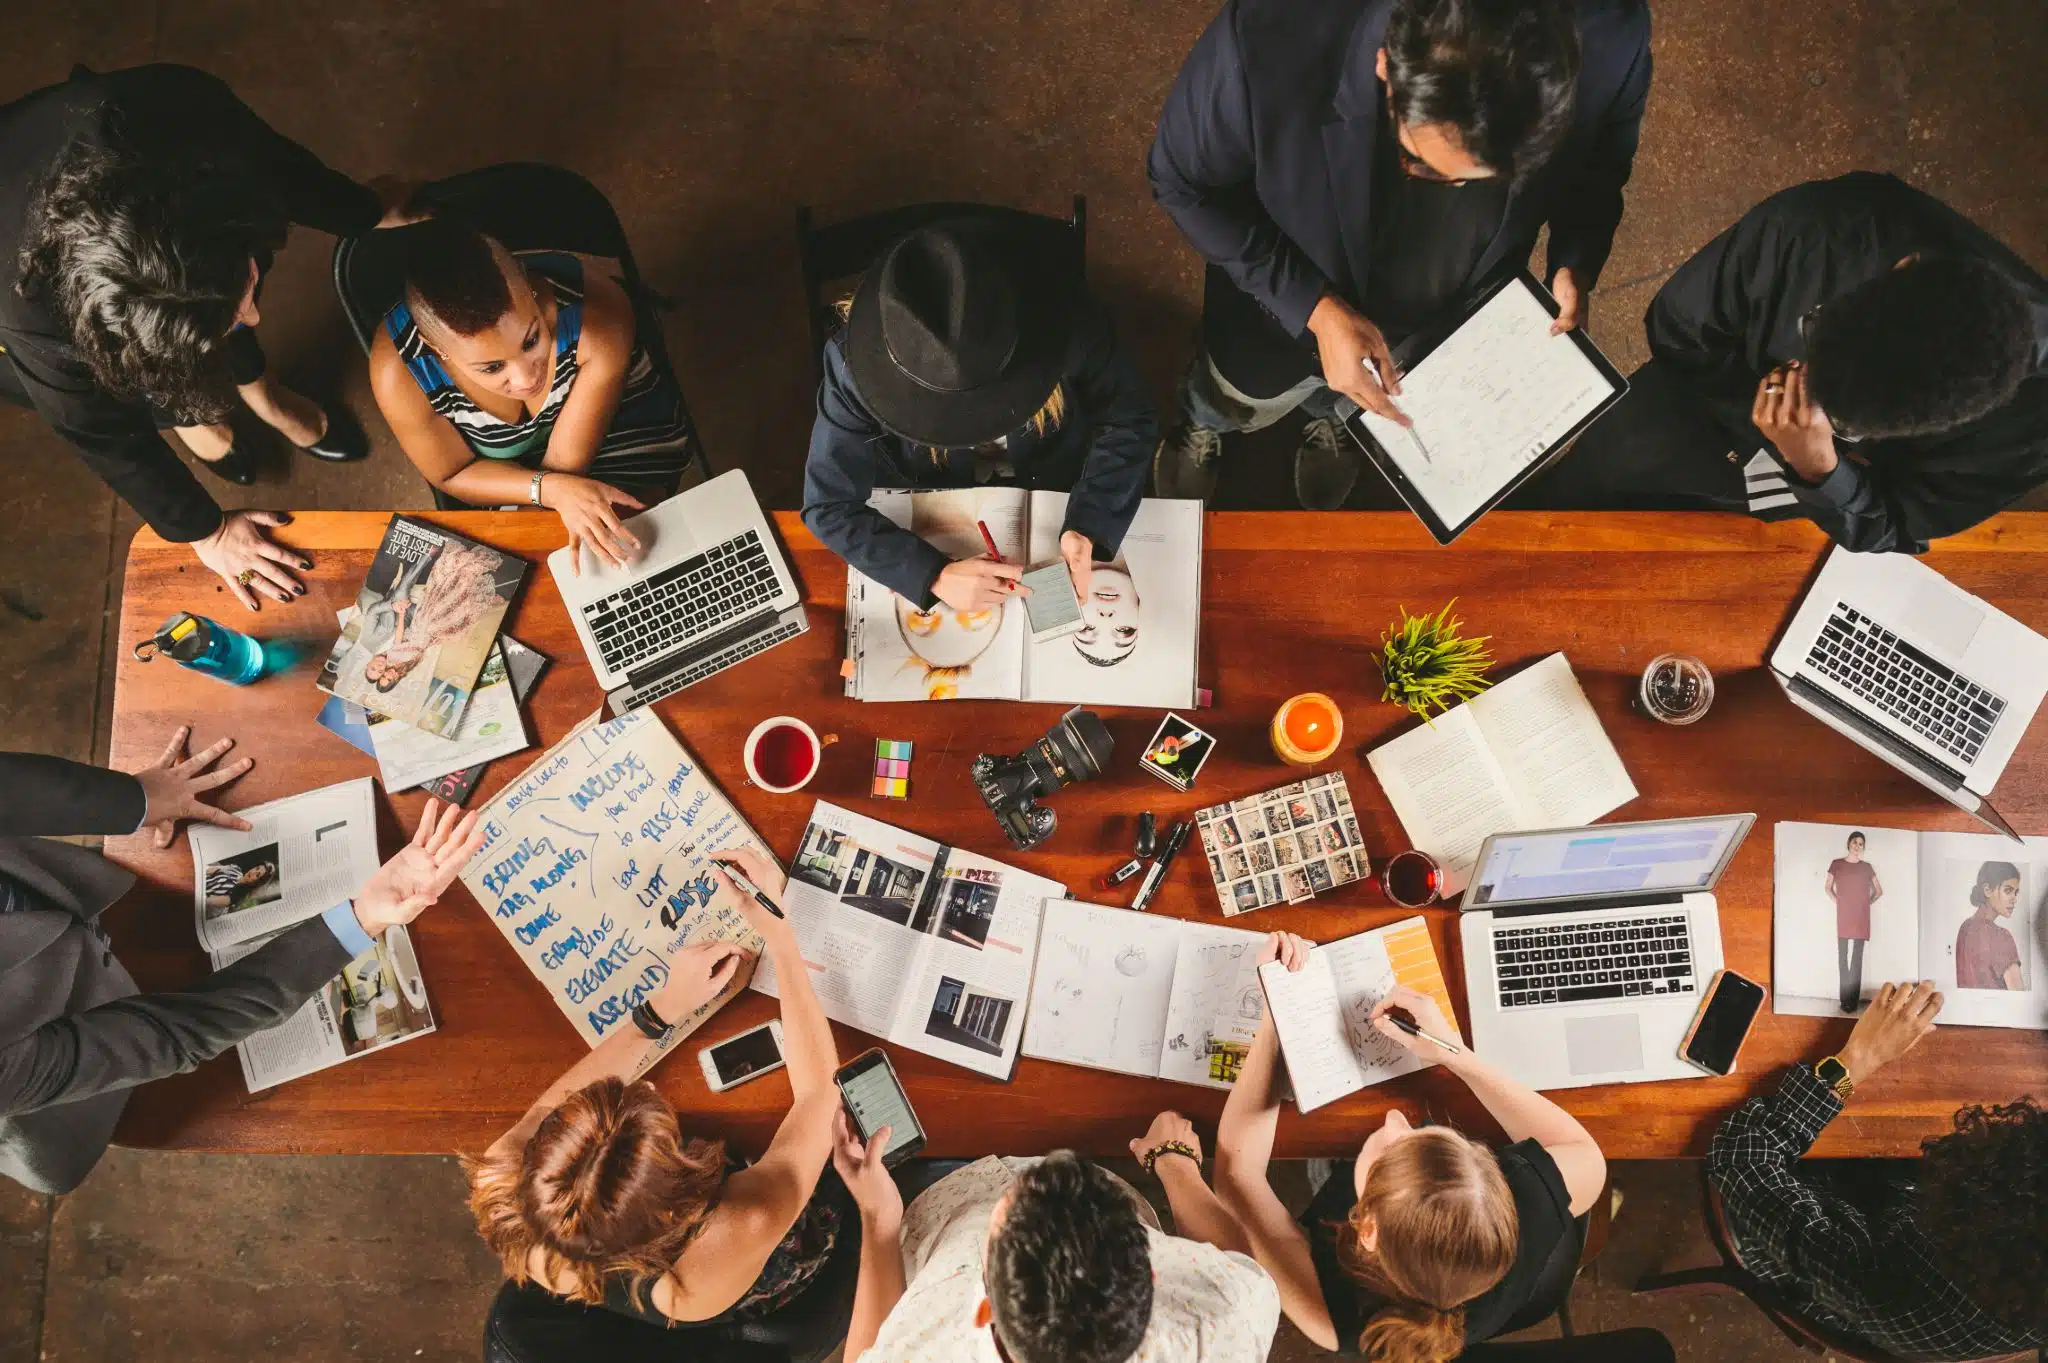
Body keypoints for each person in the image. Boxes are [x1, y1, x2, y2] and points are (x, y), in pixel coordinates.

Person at [1148, 0, 1652, 508]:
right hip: (1274, 314)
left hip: (1437, 326)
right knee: (1235, 397)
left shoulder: (1611, 30)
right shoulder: (1273, 31)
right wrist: (1315, 309)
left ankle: (1333, 414)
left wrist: (1575, 259)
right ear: (1386, 61)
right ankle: (1209, 420)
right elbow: (1181, 182)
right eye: (1420, 163)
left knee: (1348, 398)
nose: (1453, 190)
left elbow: (1600, 164)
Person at [0, 64, 422, 609]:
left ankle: (263, 397)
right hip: (34, 287)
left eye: (247, 283)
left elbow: (275, 163)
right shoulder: (30, 313)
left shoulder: (175, 110)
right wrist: (207, 531)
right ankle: (193, 419)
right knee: (159, 369)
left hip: (143, 187)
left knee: (220, 316)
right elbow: (101, 432)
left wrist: (359, 212)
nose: (257, 314)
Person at [0, 732, 482, 1193]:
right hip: (64, 1088)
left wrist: (140, 799)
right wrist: (360, 918)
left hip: (62, 895)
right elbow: (178, 1032)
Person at [1528, 173, 2047, 549]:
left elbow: (1895, 521)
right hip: (1682, 411)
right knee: (1563, 497)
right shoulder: (1821, 227)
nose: (1799, 395)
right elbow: (1677, 330)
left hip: (1788, 498)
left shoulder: (2031, 431)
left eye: (1839, 419)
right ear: (1903, 268)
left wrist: (1819, 465)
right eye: (1811, 333)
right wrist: (1762, 415)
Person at [466, 847, 855, 1338]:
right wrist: (779, 935)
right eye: (651, 1113)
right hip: (759, 1258)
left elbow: (548, 1106)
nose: (647, 1083)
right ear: (683, 1184)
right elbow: (820, 1098)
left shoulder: (501, 1176)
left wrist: (661, 1010)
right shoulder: (740, 1225)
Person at [1208, 932, 1607, 1360]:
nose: (1395, 1120)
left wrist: (1277, 1014)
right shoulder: (1529, 1201)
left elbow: (1235, 1175)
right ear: (1496, 1181)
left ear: (1367, 1228)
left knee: (1322, 1170)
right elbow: (1580, 1150)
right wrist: (1450, 1052)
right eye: (1433, 1135)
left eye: (1388, 1153)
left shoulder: (1332, 1318)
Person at [802, 213, 1157, 616]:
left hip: (1055, 478)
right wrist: (931, 575)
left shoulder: (1072, 327)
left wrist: (1091, 524)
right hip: (931, 492)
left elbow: (1130, 418)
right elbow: (827, 506)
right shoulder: (851, 365)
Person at [1708, 979, 2047, 1359]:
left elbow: (1741, 1158)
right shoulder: (2018, 1259)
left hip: (1804, 1229)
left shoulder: (1897, 1290)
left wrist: (1857, 1060)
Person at [369, 217, 700, 573]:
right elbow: (452, 473)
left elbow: (566, 465)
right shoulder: (400, 375)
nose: (527, 378)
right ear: (435, 347)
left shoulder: (598, 315)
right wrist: (546, 491)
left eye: (531, 340)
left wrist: (546, 499)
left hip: (618, 433)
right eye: (492, 367)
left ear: (530, 292)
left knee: (636, 547)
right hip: (515, 477)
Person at [832, 1113, 1279, 1362]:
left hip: (938, 1203)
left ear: (983, 1305)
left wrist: (879, 1218)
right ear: (1154, 1273)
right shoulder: (1228, 1313)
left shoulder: (918, 1351)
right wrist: (1175, 1164)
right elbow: (1235, 1267)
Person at [1825, 832, 1882, 1012]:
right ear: (1849, 843)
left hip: (1860, 916)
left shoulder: (1867, 867)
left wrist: (1866, 904)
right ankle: (1844, 1000)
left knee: (1856, 959)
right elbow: (1827, 888)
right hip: (1844, 915)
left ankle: (1852, 1003)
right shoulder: (1837, 864)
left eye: (1861, 844)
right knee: (1842, 958)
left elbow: (1879, 891)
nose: (1858, 846)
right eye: (1855, 842)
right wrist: (1839, 902)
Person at [1955, 861, 2024, 991]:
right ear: (1987, 890)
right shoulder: (2002, 936)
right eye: (2008, 890)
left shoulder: (1965, 927)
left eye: (2016, 893)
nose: (2014, 899)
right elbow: (2018, 995)